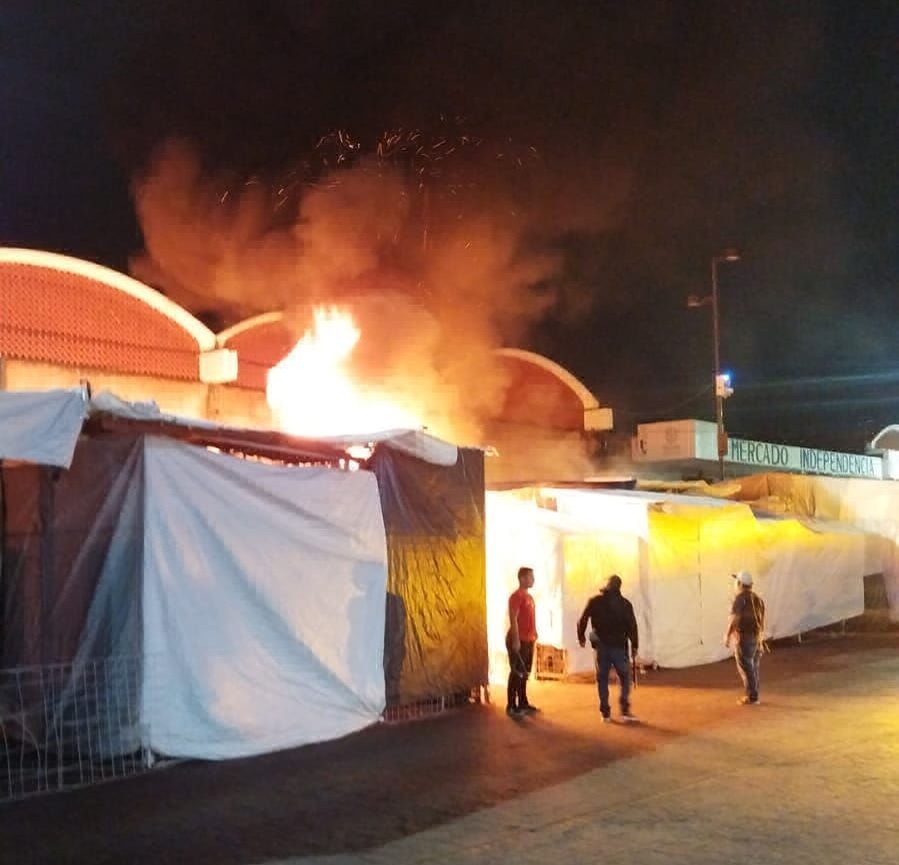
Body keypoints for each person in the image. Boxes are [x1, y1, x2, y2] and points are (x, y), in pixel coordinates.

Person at [577, 574, 639, 723]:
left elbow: (582, 620)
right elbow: (632, 627)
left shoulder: (595, 601)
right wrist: (635, 646)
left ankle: (605, 713)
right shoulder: (625, 604)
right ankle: (624, 710)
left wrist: (582, 637)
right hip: (619, 646)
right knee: (625, 677)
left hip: (601, 646)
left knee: (602, 678)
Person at [724, 571, 766, 705]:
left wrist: (728, 634)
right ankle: (754, 693)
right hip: (756, 636)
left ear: (740, 584)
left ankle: (752, 696)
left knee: (746, 666)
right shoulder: (757, 599)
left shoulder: (740, 599)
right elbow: (762, 618)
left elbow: (735, 618)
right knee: (753, 666)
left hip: (744, 637)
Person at [506, 566, 539, 718]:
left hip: (529, 639)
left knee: (524, 673)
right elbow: (513, 618)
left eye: (532, 577)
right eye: (530, 577)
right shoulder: (516, 596)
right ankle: (512, 705)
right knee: (516, 673)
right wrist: (516, 639)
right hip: (519, 639)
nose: (533, 580)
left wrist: (534, 632)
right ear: (522, 578)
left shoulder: (529, 597)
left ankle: (523, 702)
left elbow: (530, 617)